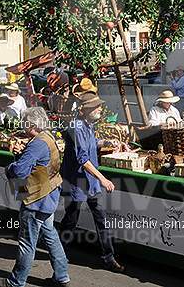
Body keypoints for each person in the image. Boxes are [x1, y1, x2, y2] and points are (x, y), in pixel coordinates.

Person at [0, 107, 70, 287]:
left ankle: (16, 282)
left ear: (31, 124)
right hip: (50, 194)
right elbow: (38, 163)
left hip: (36, 198)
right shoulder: (48, 136)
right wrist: (22, 154)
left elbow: (20, 170)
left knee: (27, 242)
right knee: (50, 235)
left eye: (24, 122)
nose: (22, 125)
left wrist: (10, 167)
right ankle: (62, 276)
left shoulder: (37, 143)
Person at [59, 94, 125, 273]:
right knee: (71, 220)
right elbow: (83, 158)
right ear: (86, 110)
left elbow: (92, 144)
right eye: (97, 107)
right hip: (76, 181)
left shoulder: (88, 124)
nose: (100, 109)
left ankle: (108, 257)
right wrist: (102, 178)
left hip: (90, 182)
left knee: (101, 219)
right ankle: (59, 253)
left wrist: (107, 142)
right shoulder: (77, 127)